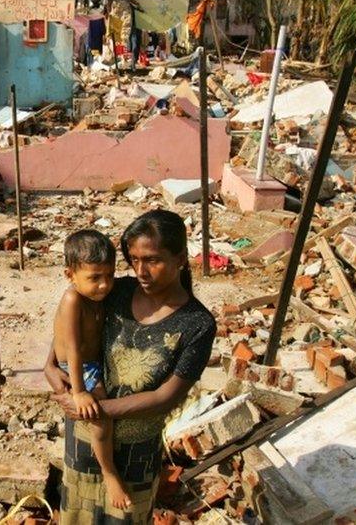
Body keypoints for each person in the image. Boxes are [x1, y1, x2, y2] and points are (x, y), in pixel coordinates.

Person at [45, 209, 217, 524]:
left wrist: (95, 409)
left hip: (135, 453)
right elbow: (71, 331)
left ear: (180, 258)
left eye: (151, 260)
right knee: (76, 516)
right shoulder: (116, 291)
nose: (141, 270)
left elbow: (165, 398)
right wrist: (51, 368)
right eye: (134, 260)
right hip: (84, 438)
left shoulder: (196, 324)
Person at [50, 230, 131, 510]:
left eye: (109, 275)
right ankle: (109, 473)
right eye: (94, 278)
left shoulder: (98, 296)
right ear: (69, 275)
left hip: (93, 363)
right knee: (100, 417)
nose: (104, 285)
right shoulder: (73, 300)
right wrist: (80, 392)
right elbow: (72, 349)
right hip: (79, 367)